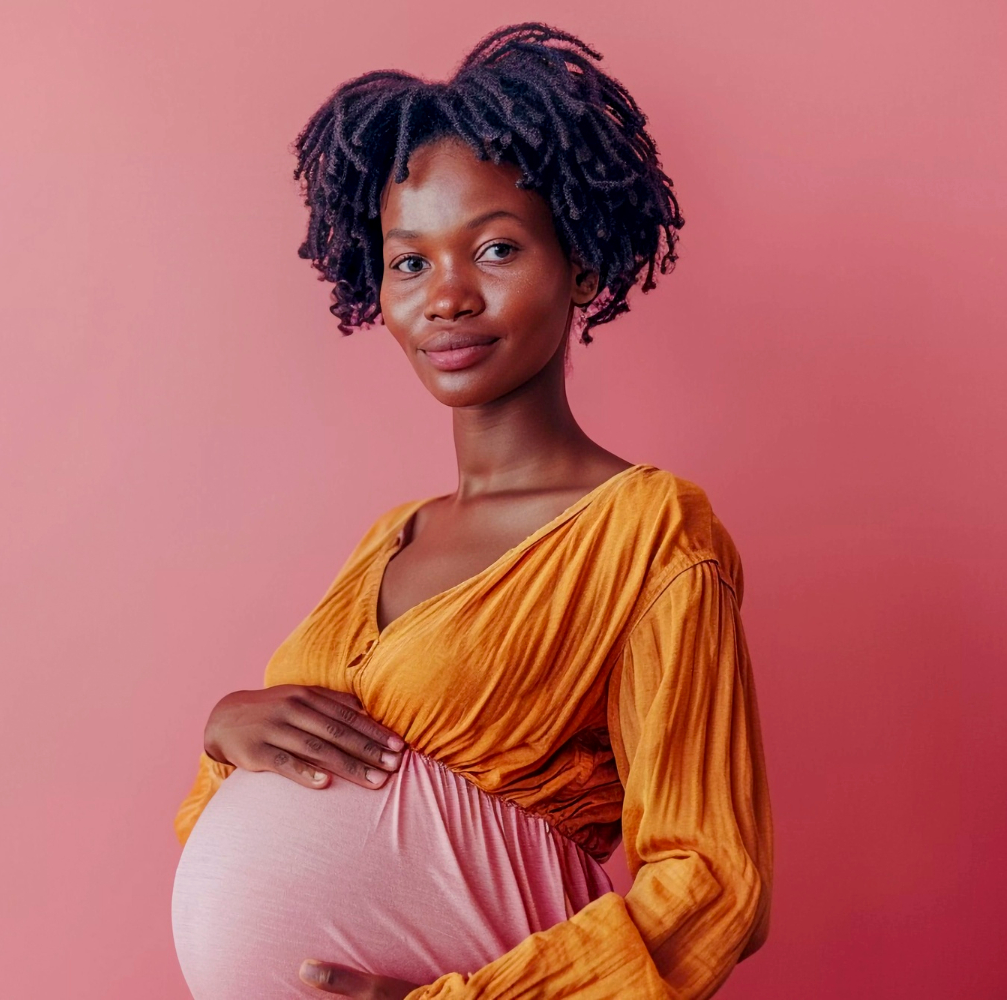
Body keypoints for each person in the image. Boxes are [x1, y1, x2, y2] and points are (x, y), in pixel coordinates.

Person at [169, 23, 772, 1000]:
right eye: (409, 263)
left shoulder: (650, 530)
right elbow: (274, 811)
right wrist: (225, 733)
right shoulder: (388, 538)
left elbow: (714, 884)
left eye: (494, 249)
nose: (446, 297)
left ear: (580, 266)